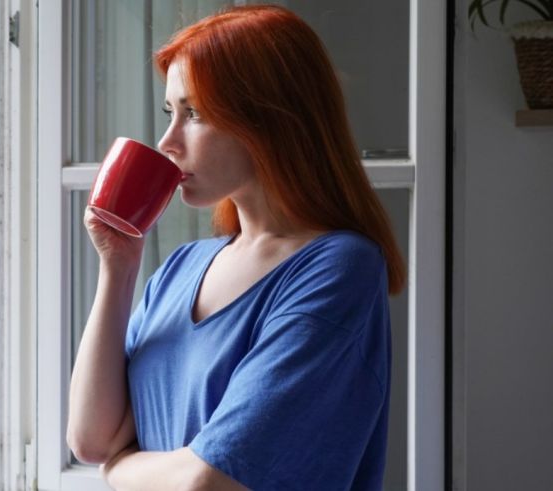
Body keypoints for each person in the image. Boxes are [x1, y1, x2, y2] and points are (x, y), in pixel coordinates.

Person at [67, 5, 405, 490]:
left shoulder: (338, 268)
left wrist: (121, 471)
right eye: (171, 112)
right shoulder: (182, 267)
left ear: (270, 120)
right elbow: (91, 440)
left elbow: (209, 482)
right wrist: (117, 268)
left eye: (195, 113)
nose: (167, 141)